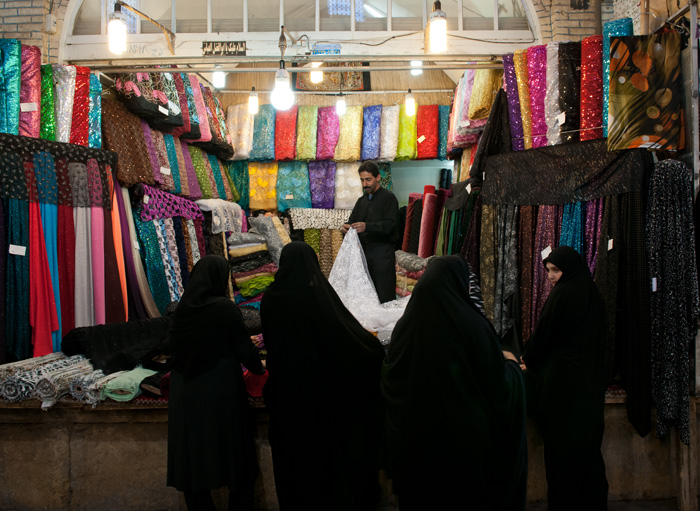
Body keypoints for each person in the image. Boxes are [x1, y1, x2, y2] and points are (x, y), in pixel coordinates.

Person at [381, 255, 527, 511]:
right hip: (464, 452)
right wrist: (513, 367)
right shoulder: (473, 326)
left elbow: (391, 377)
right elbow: (497, 386)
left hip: (416, 449)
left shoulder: (407, 327)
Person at [260, 242, 386, 511]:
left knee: (291, 470)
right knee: (322, 470)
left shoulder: (271, 299)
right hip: (317, 402)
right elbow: (342, 334)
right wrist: (372, 348)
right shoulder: (315, 295)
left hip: (285, 400)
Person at [167, 255, 265, 511]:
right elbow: (246, 351)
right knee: (236, 460)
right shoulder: (223, 308)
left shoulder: (181, 309)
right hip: (218, 391)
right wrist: (259, 367)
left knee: (193, 461)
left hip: (185, 390)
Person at [521, 245, 609, 510]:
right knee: (588, 455)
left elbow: (543, 337)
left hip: (562, 392)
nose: (550, 276)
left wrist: (528, 361)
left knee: (561, 457)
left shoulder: (562, 296)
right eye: (548, 270)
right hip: (590, 389)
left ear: (567, 269)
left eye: (555, 270)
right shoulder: (591, 293)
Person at [342, 161, 399, 303]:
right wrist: (345, 228)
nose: (365, 184)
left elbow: (391, 225)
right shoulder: (361, 201)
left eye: (368, 179)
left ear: (378, 177)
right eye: (362, 180)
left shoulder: (389, 198)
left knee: (384, 293)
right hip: (363, 254)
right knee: (366, 295)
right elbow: (351, 221)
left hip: (382, 254)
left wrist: (367, 227)